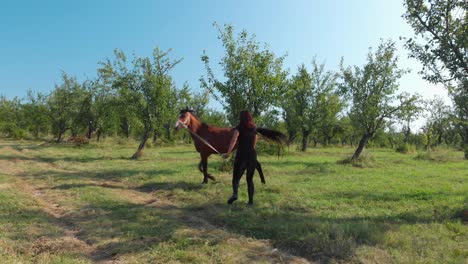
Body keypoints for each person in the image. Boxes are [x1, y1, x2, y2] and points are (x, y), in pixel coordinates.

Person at [222, 110, 259, 205]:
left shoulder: (238, 128)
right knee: (249, 179)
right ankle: (251, 202)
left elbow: (233, 140)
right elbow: (254, 143)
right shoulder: (254, 128)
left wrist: (228, 153)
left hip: (241, 156)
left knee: (236, 177)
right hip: (252, 156)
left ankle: (235, 193)